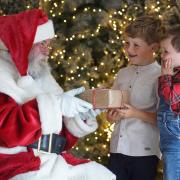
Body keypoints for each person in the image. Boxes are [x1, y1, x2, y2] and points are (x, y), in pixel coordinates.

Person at [0, 9, 116, 180]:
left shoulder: (42, 77)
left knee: (102, 176)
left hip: (50, 163)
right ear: (24, 42)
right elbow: (6, 131)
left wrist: (78, 117)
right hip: (16, 166)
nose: (48, 51)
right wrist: (57, 105)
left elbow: (58, 141)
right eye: (42, 44)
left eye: (49, 45)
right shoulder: (2, 76)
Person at [106, 16, 164, 180]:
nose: (129, 49)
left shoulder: (160, 76)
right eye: (126, 43)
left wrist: (134, 113)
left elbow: (164, 119)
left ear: (153, 47)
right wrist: (110, 117)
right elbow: (111, 112)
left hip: (144, 153)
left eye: (136, 45)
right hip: (117, 149)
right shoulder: (122, 74)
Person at [157, 25, 180, 180]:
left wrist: (165, 77)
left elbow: (172, 100)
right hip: (168, 140)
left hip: (176, 142)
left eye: (166, 51)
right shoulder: (174, 72)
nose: (162, 56)